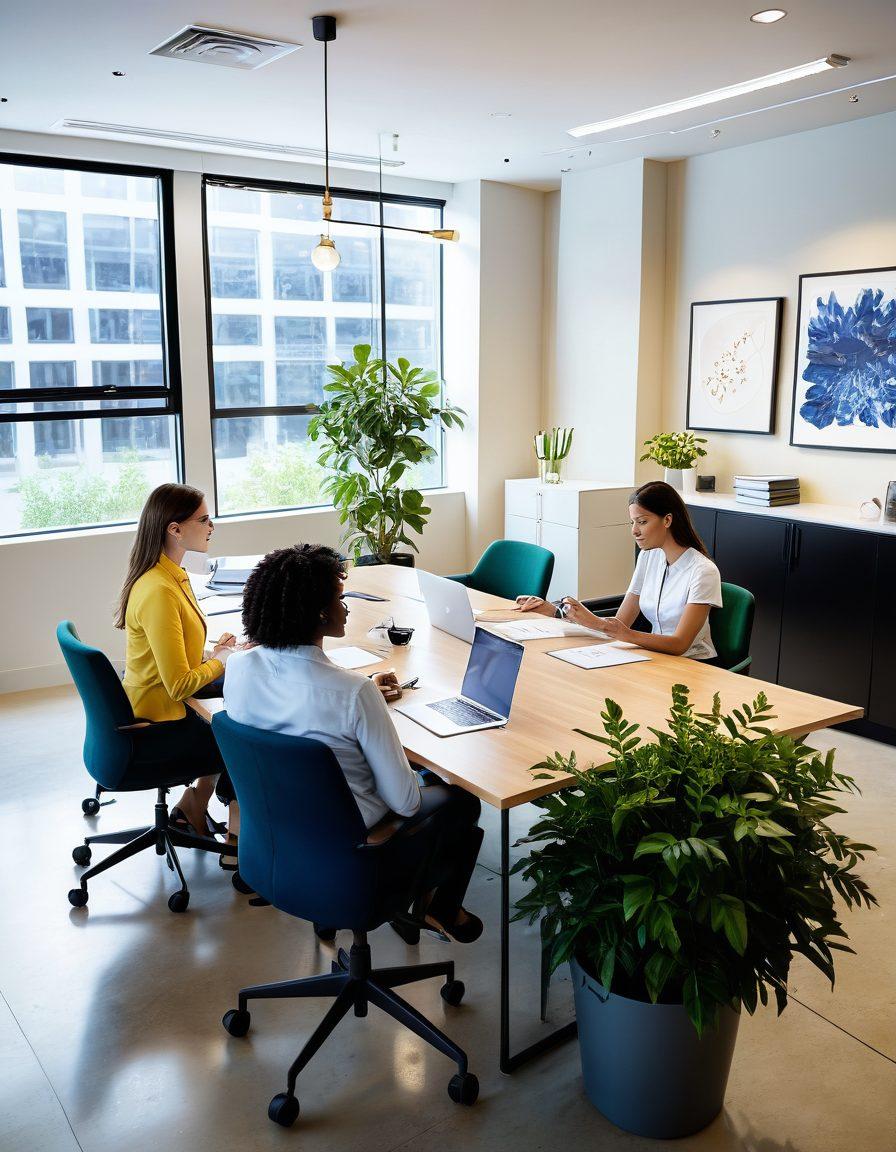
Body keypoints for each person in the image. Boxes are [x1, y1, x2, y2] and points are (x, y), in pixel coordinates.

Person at [223, 543, 485, 943]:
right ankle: (438, 907)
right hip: (352, 842)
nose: (346, 609)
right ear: (320, 613)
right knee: (461, 800)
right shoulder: (353, 693)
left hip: (278, 836)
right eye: (340, 600)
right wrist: (368, 708)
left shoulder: (239, 667)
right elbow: (406, 804)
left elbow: (296, 698)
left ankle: (423, 901)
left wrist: (363, 703)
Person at [115, 483, 239, 859]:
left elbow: (174, 652)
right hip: (161, 720)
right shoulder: (158, 590)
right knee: (247, 728)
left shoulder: (169, 574)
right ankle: (238, 841)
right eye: (203, 519)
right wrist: (223, 661)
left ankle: (194, 803)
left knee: (242, 695)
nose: (211, 526)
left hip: (156, 703)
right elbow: (178, 684)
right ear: (175, 528)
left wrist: (215, 652)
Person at [517, 480, 723, 662]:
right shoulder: (649, 556)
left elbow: (679, 644)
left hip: (693, 665)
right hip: (655, 657)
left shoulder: (703, 571)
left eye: (642, 522)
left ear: (667, 520)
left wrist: (622, 633)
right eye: (632, 522)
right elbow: (621, 622)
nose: (634, 531)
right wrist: (558, 613)